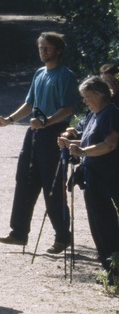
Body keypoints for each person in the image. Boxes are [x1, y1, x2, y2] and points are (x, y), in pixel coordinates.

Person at [0, 32, 78, 253]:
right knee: (25, 180)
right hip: (35, 132)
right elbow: (29, 104)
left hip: (55, 133)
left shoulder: (66, 75)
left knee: (52, 186)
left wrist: (47, 121)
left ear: (58, 50)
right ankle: (18, 233)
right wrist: (8, 120)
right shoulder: (39, 73)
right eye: (41, 47)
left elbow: (68, 108)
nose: (43, 51)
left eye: (47, 48)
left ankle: (62, 237)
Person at [58, 76, 119, 279]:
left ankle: (114, 268)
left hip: (108, 176)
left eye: (87, 96)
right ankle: (109, 268)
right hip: (92, 177)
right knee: (98, 223)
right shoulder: (94, 114)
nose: (84, 101)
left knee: (106, 223)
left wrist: (82, 151)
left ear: (99, 94)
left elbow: (110, 144)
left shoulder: (111, 113)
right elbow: (84, 137)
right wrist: (69, 140)